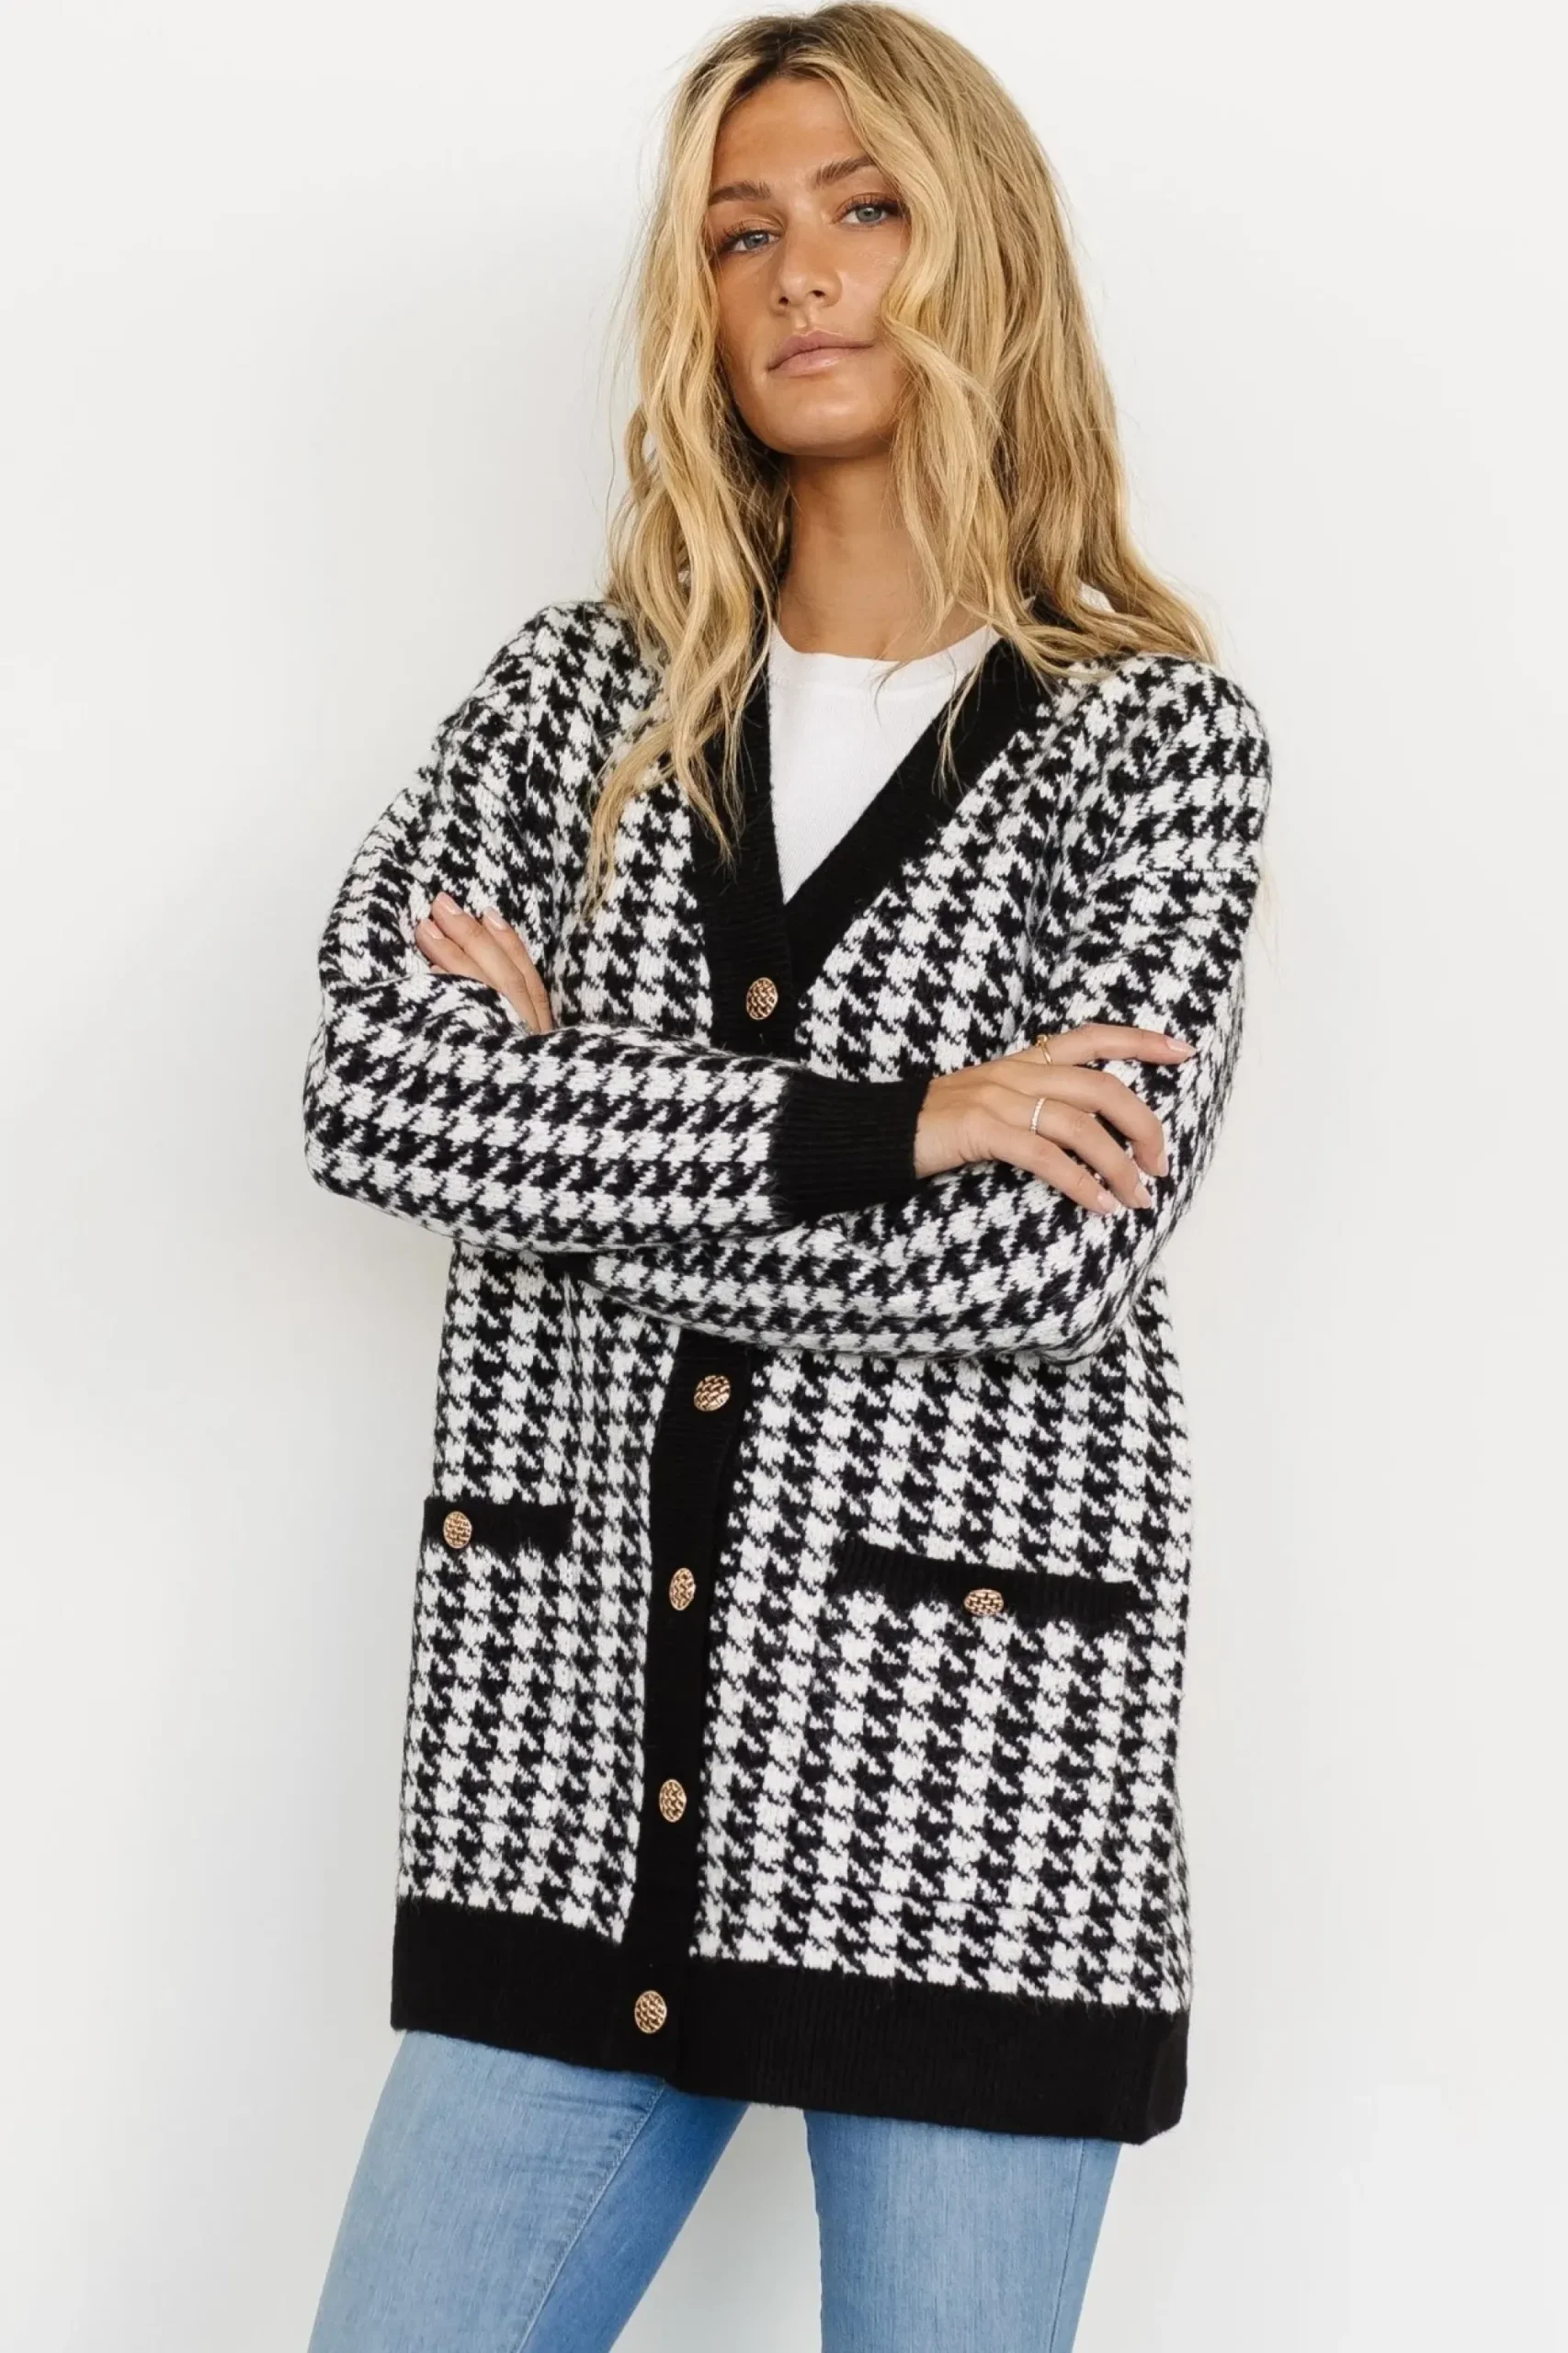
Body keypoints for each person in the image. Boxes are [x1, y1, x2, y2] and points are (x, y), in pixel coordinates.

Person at [301, 6, 1273, 2348]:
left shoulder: (1154, 743)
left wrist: (558, 1127)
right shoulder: (573, 701)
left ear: (980, 255)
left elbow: (1046, 1250)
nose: (799, 272)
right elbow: (367, 1090)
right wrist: (891, 1117)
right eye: (739, 234)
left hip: (972, 1798)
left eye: (864, 209)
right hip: (561, 1792)